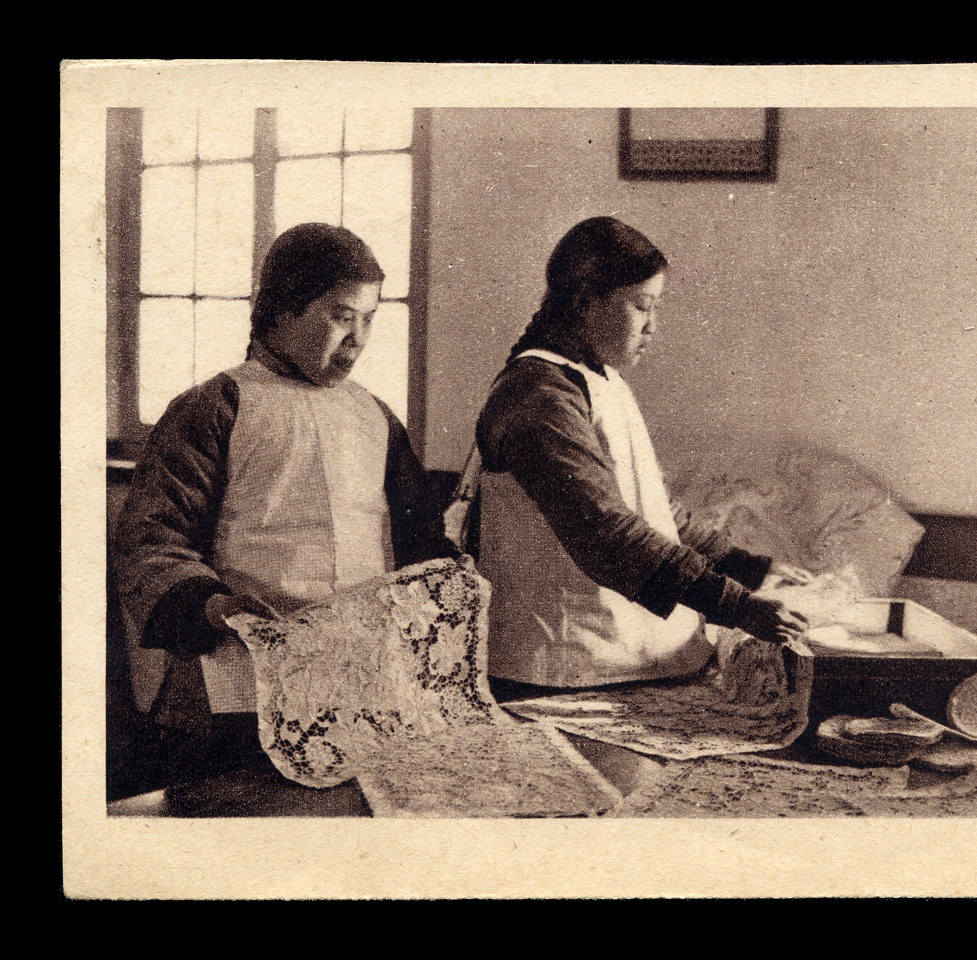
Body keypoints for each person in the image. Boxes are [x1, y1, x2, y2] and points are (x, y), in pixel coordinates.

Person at [115, 223, 455, 771]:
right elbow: (153, 541)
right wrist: (213, 606)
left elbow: (421, 538)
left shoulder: (375, 416)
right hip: (232, 683)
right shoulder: (215, 406)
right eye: (341, 316)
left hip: (355, 676)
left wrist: (448, 575)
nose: (358, 338)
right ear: (282, 311)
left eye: (369, 319)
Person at [474, 216, 810, 696]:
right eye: (641, 306)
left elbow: (654, 511)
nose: (652, 326)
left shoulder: (600, 379)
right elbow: (607, 533)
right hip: (563, 668)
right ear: (584, 302)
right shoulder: (539, 394)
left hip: (621, 659)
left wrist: (747, 568)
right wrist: (734, 604)